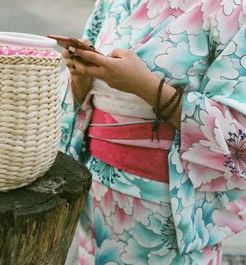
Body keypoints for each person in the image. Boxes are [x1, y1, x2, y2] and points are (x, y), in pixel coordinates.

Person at [60, 0, 246, 264]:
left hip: (165, 208)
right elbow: (83, 95)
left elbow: (238, 136)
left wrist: (145, 86)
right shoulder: (112, 3)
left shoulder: (232, 8)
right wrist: (81, 75)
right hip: (98, 194)